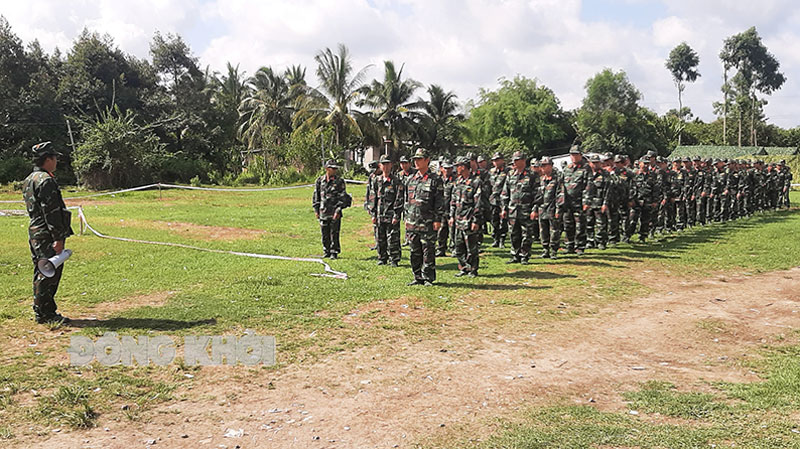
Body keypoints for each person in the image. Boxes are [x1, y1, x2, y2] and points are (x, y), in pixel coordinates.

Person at [23, 142, 74, 325]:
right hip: (47, 234)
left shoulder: (30, 178)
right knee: (49, 273)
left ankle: (42, 310)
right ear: (48, 159)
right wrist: (58, 238)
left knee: (41, 271)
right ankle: (46, 313)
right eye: (55, 158)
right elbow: (51, 212)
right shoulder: (46, 180)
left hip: (36, 232)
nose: (57, 162)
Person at [403, 148, 445, 286]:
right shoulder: (410, 179)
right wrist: (406, 218)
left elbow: (439, 201)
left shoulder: (435, 180)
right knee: (414, 251)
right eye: (415, 159)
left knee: (428, 251)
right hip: (412, 222)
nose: (416, 162)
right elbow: (406, 201)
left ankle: (428, 277)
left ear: (427, 160)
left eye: (419, 159)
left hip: (427, 222)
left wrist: (438, 219)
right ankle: (417, 276)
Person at [501, 151, 538, 265]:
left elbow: (537, 195)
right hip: (513, 210)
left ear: (523, 161)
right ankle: (515, 255)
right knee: (513, 234)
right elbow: (505, 193)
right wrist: (504, 208)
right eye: (514, 161)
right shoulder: (511, 175)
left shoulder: (531, 175)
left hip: (526, 210)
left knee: (526, 234)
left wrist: (535, 210)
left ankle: (524, 255)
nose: (515, 163)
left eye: (517, 160)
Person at [450, 157, 482, 277]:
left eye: (458, 166)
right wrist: (451, 216)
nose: (456, 168)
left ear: (463, 167)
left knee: (471, 247)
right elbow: (453, 201)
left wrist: (476, 220)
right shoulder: (457, 182)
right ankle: (463, 267)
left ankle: (473, 269)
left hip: (469, 219)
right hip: (458, 220)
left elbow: (478, 203)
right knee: (459, 246)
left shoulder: (475, 182)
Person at [370, 156, 404, 267]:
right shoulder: (377, 180)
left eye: (388, 164)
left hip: (391, 214)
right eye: (383, 164)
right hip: (380, 214)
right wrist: (373, 213)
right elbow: (373, 197)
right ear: (380, 166)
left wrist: (397, 214)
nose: (386, 166)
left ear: (391, 165)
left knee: (393, 238)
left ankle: (394, 259)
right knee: (380, 238)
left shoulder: (396, 181)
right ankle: (382, 257)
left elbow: (399, 199)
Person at [312, 160, 347, 259]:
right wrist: (316, 209)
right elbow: (316, 196)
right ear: (327, 169)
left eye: (336, 168)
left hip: (334, 211)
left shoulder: (339, 182)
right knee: (324, 232)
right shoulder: (320, 181)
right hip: (323, 211)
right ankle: (326, 250)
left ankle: (334, 251)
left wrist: (338, 210)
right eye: (333, 168)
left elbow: (343, 198)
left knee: (334, 232)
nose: (334, 170)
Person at [561, 144, 590, 255]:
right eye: (572, 155)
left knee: (580, 225)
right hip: (567, 201)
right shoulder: (567, 168)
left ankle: (580, 246)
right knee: (568, 224)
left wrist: (586, 201)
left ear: (580, 155)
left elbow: (588, 185)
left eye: (576, 154)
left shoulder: (586, 168)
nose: (574, 157)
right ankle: (569, 245)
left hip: (579, 201)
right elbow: (562, 184)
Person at [535, 157, 564, 260]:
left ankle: (553, 251)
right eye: (542, 165)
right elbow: (537, 197)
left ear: (551, 166)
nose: (543, 168)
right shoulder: (541, 180)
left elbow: (560, 195)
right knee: (543, 230)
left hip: (552, 209)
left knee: (554, 230)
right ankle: (545, 249)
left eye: (545, 165)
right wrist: (535, 209)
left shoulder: (557, 179)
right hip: (542, 209)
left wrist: (558, 209)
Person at [488, 152, 508, 248]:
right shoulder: (491, 172)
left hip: (503, 200)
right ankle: (495, 238)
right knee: (494, 220)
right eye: (494, 160)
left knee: (503, 221)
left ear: (502, 160)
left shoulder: (508, 171)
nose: (496, 162)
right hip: (493, 200)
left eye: (498, 160)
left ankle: (502, 240)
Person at [437, 159, 455, 257]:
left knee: (453, 231)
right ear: (441, 168)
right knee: (441, 230)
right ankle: (441, 249)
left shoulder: (455, 180)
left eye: (449, 168)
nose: (447, 170)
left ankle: (454, 248)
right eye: (445, 168)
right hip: (441, 209)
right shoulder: (438, 179)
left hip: (452, 209)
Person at [364, 160, 381, 251]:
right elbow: (368, 190)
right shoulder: (371, 177)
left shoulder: (383, 176)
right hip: (372, 203)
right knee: (375, 224)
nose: (374, 172)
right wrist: (367, 203)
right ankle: (377, 242)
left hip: (381, 204)